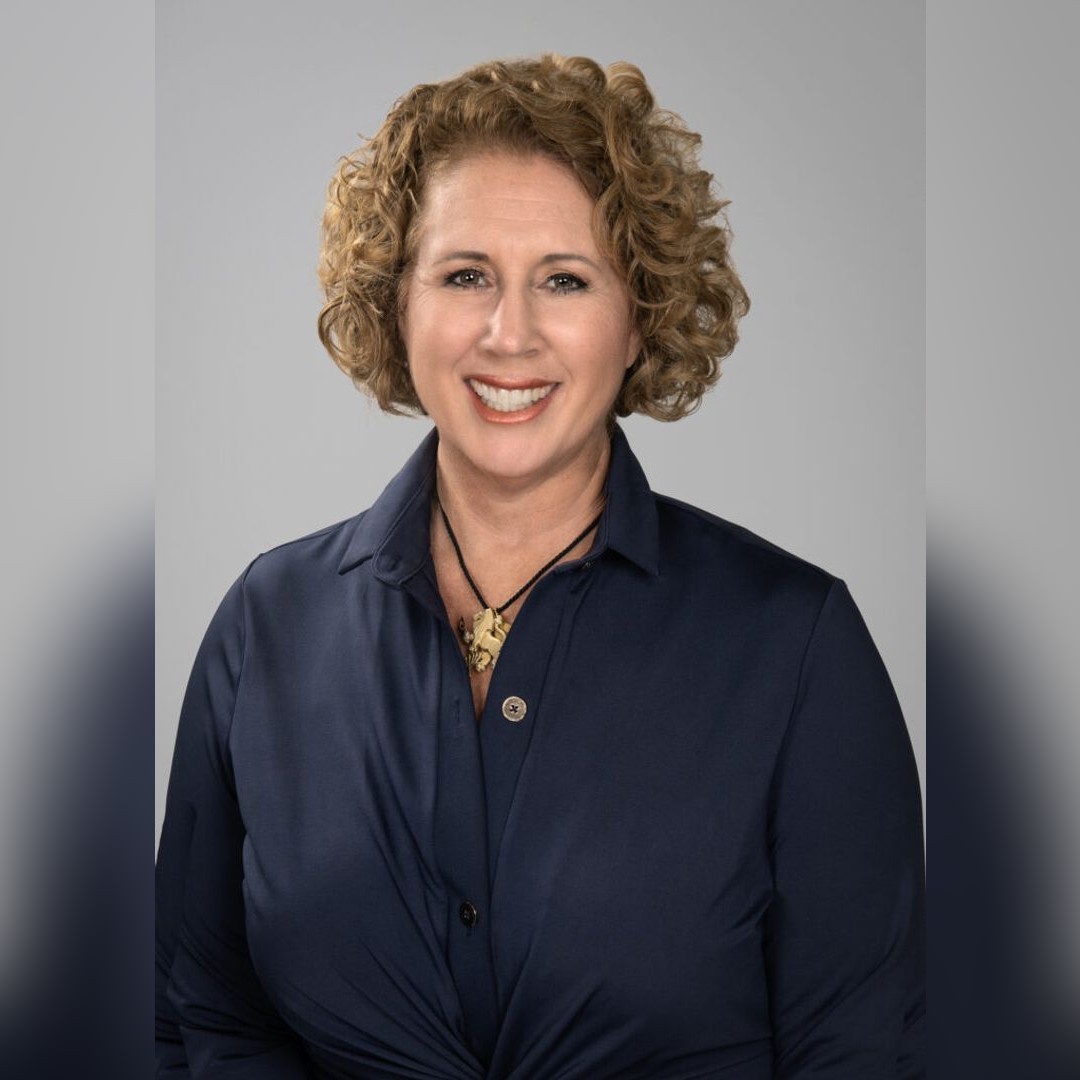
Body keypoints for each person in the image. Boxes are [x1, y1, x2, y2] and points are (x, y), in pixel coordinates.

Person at [155, 54, 925, 1078]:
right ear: (396, 304)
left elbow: (863, 1055)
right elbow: (201, 1018)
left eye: (564, 279)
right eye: (464, 274)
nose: (507, 333)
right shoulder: (266, 624)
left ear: (640, 313)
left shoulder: (796, 648)